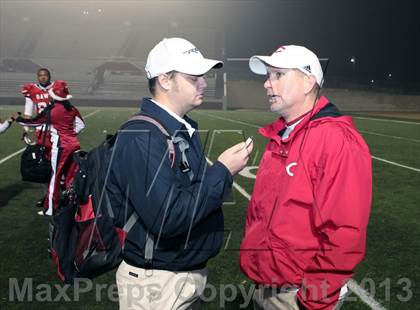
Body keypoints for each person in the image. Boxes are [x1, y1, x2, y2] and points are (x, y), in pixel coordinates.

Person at [108, 37, 253, 310]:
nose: (204, 83)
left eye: (203, 76)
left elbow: (189, 195)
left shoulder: (179, 127)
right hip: (158, 282)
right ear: (165, 80)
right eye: (193, 77)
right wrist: (222, 171)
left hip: (176, 274)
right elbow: (168, 218)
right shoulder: (142, 136)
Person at [239, 45, 372, 310]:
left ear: (308, 82)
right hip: (266, 285)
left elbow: (345, 232)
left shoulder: (335, 139)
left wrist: (313, 299)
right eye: (268, 75)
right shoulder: (281, 136)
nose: (267, 83)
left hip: (298, 295)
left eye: (278, 75)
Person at [16, 80, 85, 216]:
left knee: (55, 177)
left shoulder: (52, 110)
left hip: (61, 146)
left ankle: (50, 209)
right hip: (74, 144)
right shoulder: (72, 109)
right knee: (71, 177)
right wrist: (70, 134)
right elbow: (81, 124)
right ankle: (72, 205)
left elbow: (35, 122)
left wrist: (19, 119)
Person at [21, 68, 54, 208]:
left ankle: (59, 193)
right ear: (37, 77)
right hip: (41, 130)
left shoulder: (56, 88)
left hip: (56, 128)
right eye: (40, 76)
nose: (43, 78)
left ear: (49, 76)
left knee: (58, 162)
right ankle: (47, 195)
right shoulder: (32, 90)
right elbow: (28, 111)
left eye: (45, 75)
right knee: (43, 164)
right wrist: (26, 129)